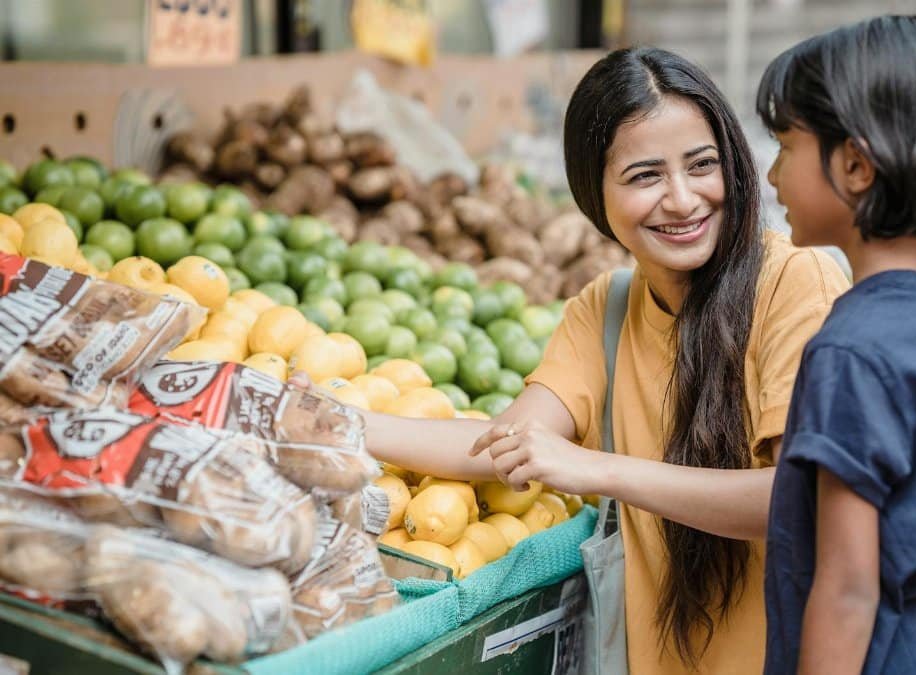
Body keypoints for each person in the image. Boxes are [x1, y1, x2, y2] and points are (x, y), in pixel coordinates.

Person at [298, 47, 848, 673]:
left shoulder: (796, 284)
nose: (683, 199)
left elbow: (798, 501)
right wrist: (334, 421)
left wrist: (600, 469)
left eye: (703, 165)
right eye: (645, 176)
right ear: (595, 192)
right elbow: (501, 445)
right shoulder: (605, 309)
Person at [755, 15, 916, 675]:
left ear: (856, 164)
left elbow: (847, 589)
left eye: (785, 146)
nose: (774, 175)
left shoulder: (850, 350)